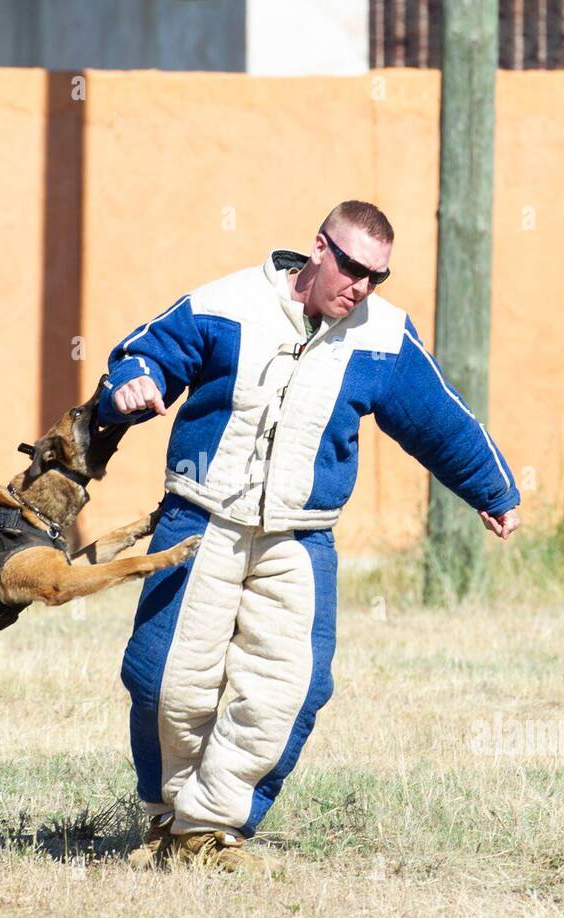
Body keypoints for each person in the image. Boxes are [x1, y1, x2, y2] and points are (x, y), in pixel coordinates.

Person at [95, 201, 521, 874]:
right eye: (351, 267)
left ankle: (211, 830)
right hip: (200, 521)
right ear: (319, 249)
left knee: (290, 689)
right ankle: (166, 815)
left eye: (376, 276)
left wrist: (491, 489)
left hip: (301, 537)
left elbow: (438, 418)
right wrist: (131, 382)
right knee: (166, 682)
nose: (362, 286)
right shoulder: (227, 303)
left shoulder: (384, 335)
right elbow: (145, 353)